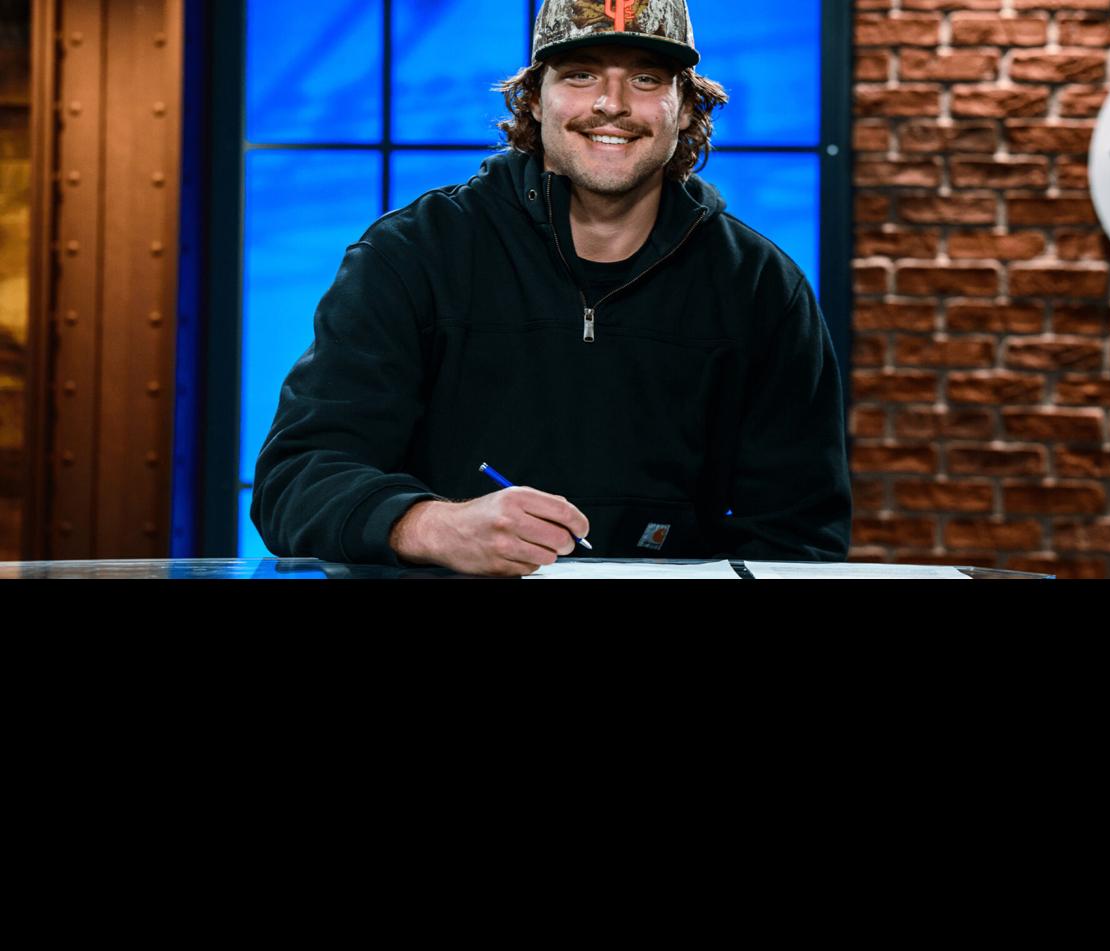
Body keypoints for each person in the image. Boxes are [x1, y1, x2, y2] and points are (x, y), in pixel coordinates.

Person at [251, 0, 851, 576]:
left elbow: (799, 534)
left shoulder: (761, 286)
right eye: (581, 75)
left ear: (687, 108)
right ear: (535, 99)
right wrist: (431, 526)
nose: (611, 104)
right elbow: (296, 479)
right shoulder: (413, 254)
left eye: (645, 79)